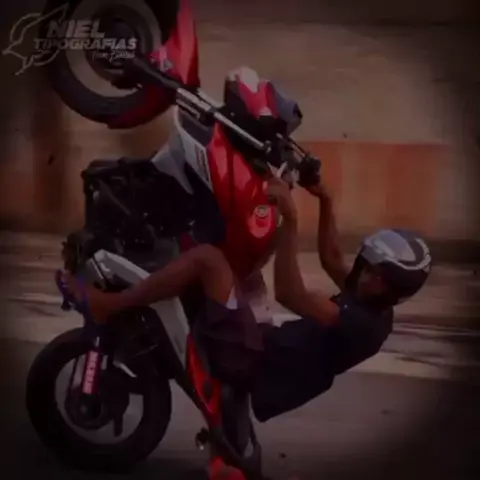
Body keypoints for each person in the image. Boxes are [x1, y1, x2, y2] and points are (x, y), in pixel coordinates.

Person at [57, 174, 432, 470]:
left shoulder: (364, 324)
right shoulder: (369, 295)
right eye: (368, 266)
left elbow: (290, 294)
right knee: (242, 261)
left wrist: (291, 219)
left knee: (208, 260)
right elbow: (333, 258)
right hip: (264, 343)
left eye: (377, 275)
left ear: (394, 288)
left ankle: (110, 304)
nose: (365, 274)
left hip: (254, 361)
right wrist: (325, 198)